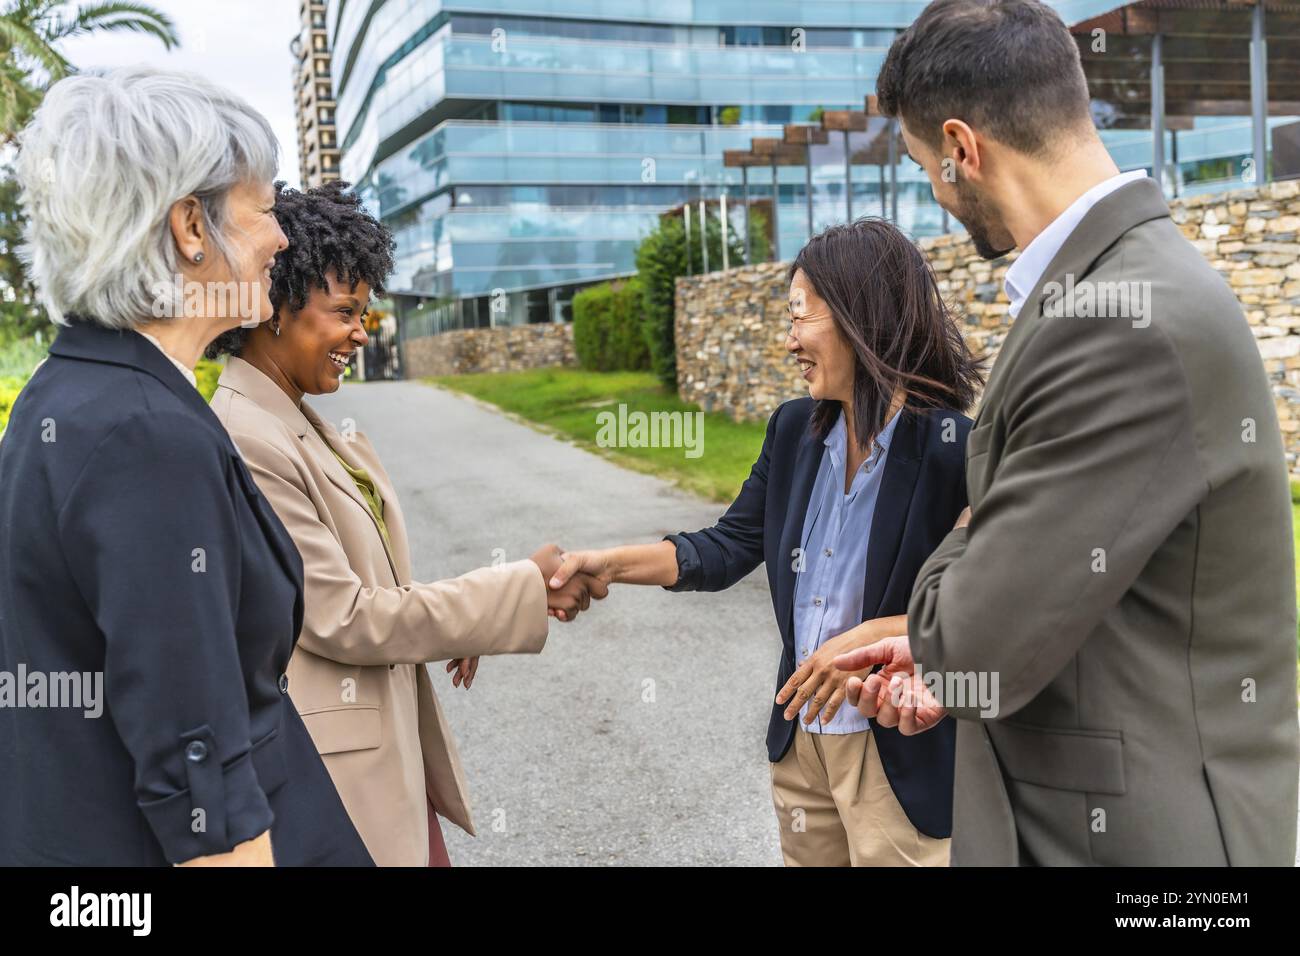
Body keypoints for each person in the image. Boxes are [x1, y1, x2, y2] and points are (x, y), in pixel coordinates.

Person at [840, 0, 1299, 865]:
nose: (939, 198)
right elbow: (1076, 591)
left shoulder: (1120, 322)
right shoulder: (1113, 288)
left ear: (962, 149)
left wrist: (971, 539)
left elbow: (976, 637)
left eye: (926, 168)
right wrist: (951, 650)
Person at [0, 67, 371, 865]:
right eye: (266, 209)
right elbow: (201, 787)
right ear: (190, 228)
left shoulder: (70, 395)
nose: (281, 236)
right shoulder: (143, 437)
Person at [550, 218, 981, 865]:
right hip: (802, 745)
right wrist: (605, 564)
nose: (789, 342)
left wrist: (869, 637)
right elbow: (725, 546)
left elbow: (984, 599)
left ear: (859, 316)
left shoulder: (953, 446)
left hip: (896, 755)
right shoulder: (792, 433)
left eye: (799, 318)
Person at [205, 181, 604, 866]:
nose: (363, 333)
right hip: (338, 785)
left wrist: (465, 618)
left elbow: (371, 584)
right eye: (346, 313)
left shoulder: (293, 416)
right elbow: (343, 616)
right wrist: (512, 590)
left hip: (380, 760)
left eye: (366, 314)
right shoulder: (249, 435)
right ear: (275, 308)